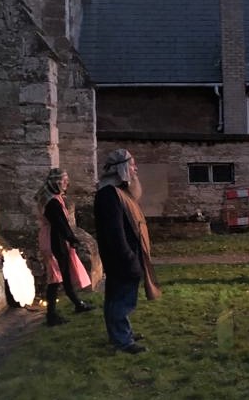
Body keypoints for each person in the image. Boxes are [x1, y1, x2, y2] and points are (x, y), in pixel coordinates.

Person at [94, 149, 161, 354]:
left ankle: (122, 333)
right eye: (132, 165)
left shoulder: (118, 193)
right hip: (121, 258)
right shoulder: (109, 195)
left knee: (121, 298)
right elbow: (114, 233)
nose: (135, 169)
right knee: (120, 301)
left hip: (127, 256)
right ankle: (122, 340)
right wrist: (129, 258)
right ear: (122, 168)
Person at [35, 168, 94, 327]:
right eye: (64, 179)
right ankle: (51, 316)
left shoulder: (53, 198)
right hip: (54, 240)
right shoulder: (52, 202)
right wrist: (72, 239)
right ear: (56, 182)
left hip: (56, 238)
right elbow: (60, 223)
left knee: (64, 274)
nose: (67, 182)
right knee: (55, 277)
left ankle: (77, 304)